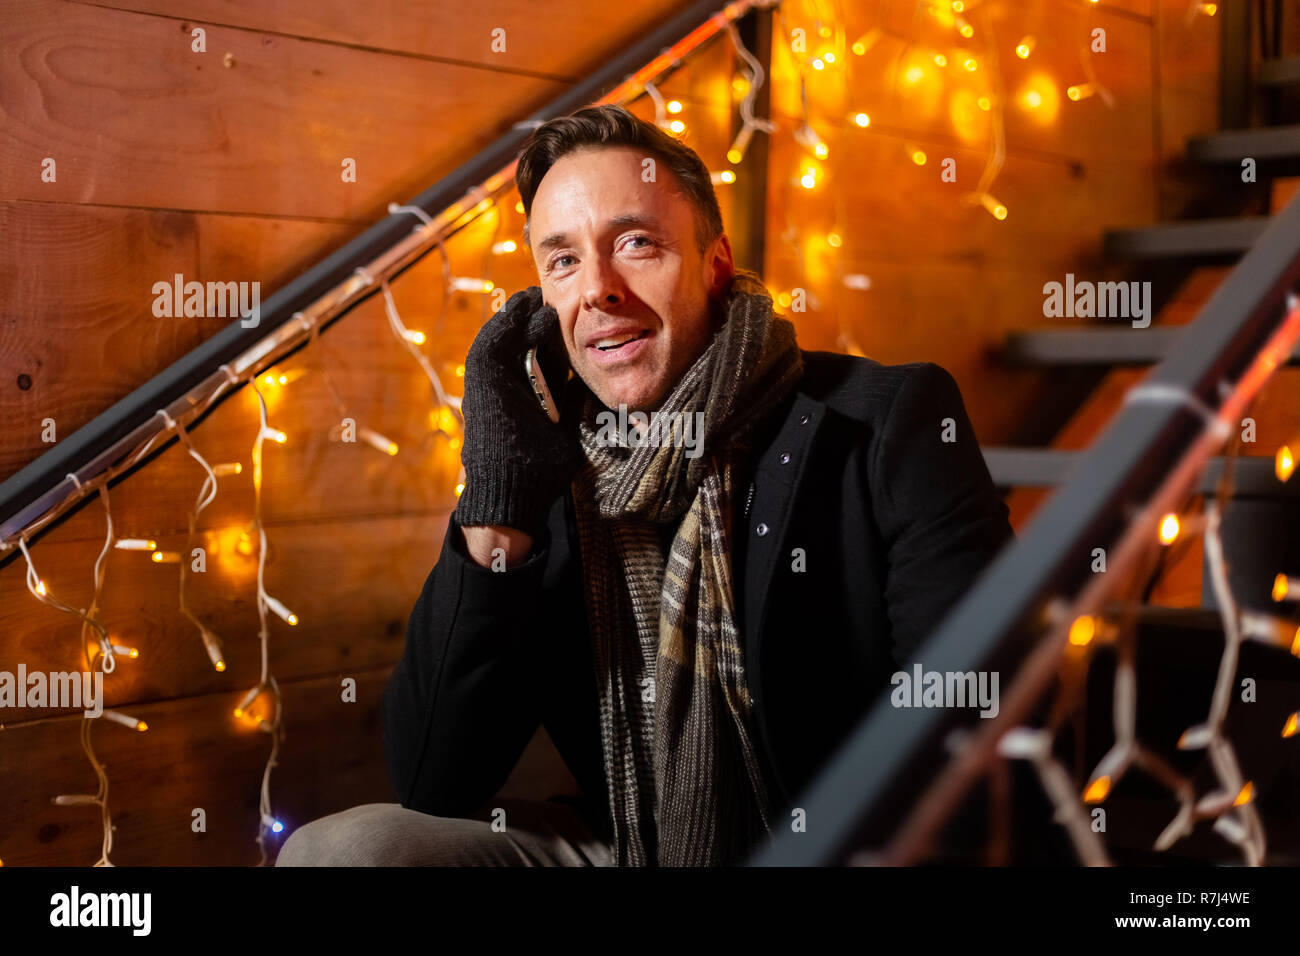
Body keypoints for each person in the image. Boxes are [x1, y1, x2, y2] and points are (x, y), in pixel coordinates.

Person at [277, 104, 1014, 868]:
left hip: (840, 847)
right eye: (561, 261)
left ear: (714, 264)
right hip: (633, 844)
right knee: (346, 851)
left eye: (636, 244)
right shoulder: (555, 471)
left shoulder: (884, 420)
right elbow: (435, 775)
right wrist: (499, 504)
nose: (598, 288)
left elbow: (964, 723)